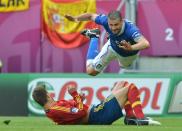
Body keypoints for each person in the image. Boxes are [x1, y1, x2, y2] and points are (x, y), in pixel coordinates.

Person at [32, 81, 161, 125]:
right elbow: (81, 112)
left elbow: (75, 108)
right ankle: (140, 118)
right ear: (47, 95)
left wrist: (79, 99)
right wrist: (75, 94)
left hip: (97, 111)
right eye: (47, 92)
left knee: (122, 84)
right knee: (130, 87)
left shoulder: (54, 108)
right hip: (98, 115)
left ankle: (130, 118)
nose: (49, 93)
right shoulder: (55, 109)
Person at [65, 10, 150, 76]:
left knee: (123, 66)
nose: (113, 28)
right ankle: (94, 37)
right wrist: (75, 18)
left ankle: (119, 54)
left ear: (122, 21)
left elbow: (145, 43)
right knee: (90, 72)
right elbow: (91, 16)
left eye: (116, 25)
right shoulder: (105, 20)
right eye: (111, 25)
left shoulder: (131, 30)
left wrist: (131, 48)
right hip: (112, 48)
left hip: (128, 55)